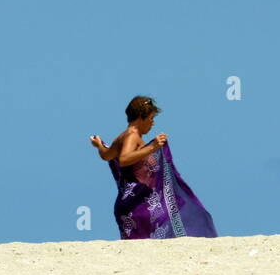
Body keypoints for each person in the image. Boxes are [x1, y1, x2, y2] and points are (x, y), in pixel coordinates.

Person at [89, 95, 217, 239]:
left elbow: (106, 155)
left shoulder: (122, 137)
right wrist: (153, 147)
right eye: (151, 119)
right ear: (140, 118)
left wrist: (99, 145)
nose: (152, 123)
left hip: (129, 205)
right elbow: (124, 159)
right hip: (137, 205)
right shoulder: (132, 135)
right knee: (174, 211)